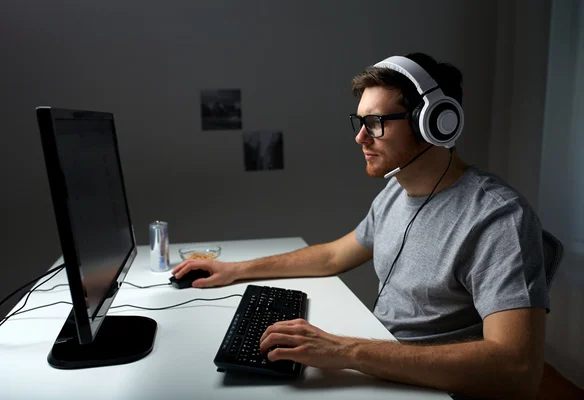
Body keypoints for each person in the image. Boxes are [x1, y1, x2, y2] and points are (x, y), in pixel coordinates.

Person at [172, 53, 549, 399]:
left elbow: (517, 368)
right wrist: (236, 270)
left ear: (433, 122)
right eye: (360, 121)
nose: (360, 137)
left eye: (375, 123)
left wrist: (346, 351)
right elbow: (335, 254)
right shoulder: (395, 192)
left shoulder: (497, 218)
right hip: (382, 369)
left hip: (431, 390)